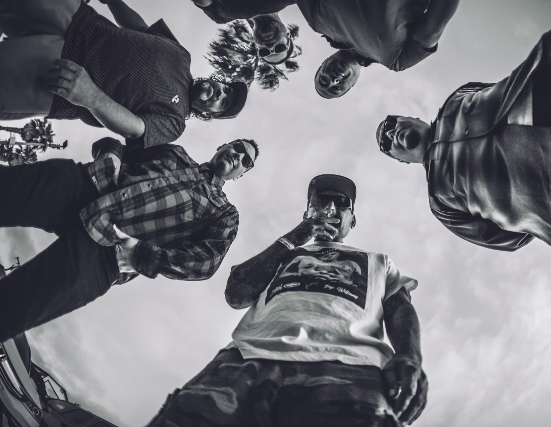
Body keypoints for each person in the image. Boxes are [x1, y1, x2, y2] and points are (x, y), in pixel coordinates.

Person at [147, 174, 428, 427]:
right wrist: (295, 237)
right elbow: (236, 294)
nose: (330, 209)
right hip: (245, 362)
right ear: (307, 212)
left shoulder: (379, 262)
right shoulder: (283, 254)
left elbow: (399, 307)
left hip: (350, 370)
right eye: (321, 201)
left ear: (352, 220)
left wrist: (409, 355)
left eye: (342, 204)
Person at [375, 2, 551, 260]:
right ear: (402, 160)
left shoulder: (457, 97)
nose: (391, 134)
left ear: (412, 118)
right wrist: (531, 202)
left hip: (547, 88)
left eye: (391, 124)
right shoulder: (441, 204)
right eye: (386, 144)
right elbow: (508, 238)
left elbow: (494, 87)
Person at [0, 136, 259, 342]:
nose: (238, 155)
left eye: (246, 160)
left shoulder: (224, 213)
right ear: (223, 146)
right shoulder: (175, 153)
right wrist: (110, 153)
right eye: (237, 147)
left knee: (14, 307)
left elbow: (206, 262)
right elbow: (121, 146)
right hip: (84, 186)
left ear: (241, 175)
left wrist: (146, 257)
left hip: (106, 256)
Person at [0, 0, 249, 146]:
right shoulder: (183, 55)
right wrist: (113, 1)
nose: (221, 93)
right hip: (78, 19)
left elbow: (135, 129)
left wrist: (89, 95)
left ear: (208, 114)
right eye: (226, 88)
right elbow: (139, 27)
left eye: (223, 103)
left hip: (64, 76)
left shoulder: (175, 123)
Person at [305, 0, 460, 99]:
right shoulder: (397, 61)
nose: (333, 80)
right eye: (337, 88)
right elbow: (435, 23)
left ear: (323, 64)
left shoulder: (316, 21)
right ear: (354, 82)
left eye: (323, 80)